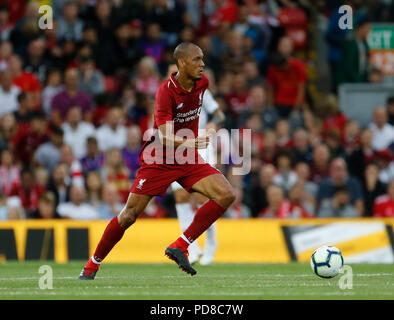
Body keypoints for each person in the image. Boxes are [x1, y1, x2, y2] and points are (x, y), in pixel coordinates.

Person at [79, 42, 235, 279]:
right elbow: (164, 134)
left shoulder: (203, 84)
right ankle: (92, 264)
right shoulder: (165, 91)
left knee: (226, 194)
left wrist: (205, 132)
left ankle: (181, 245)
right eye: (197, 59)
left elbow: (214, 113)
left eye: (203, 59)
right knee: (129, 215)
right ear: (181, 63)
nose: (203, 64)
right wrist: (192, 141)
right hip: (159, 159)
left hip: (187, 157)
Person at [167, 63, 225, 266]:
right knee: (181, 196)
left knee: (202, 195)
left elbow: (219, 114)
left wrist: (213, 123)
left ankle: (211, 242)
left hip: (200, 143)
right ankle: (191, 246)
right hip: (177, 146)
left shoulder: (200, 91)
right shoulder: (165, 96)